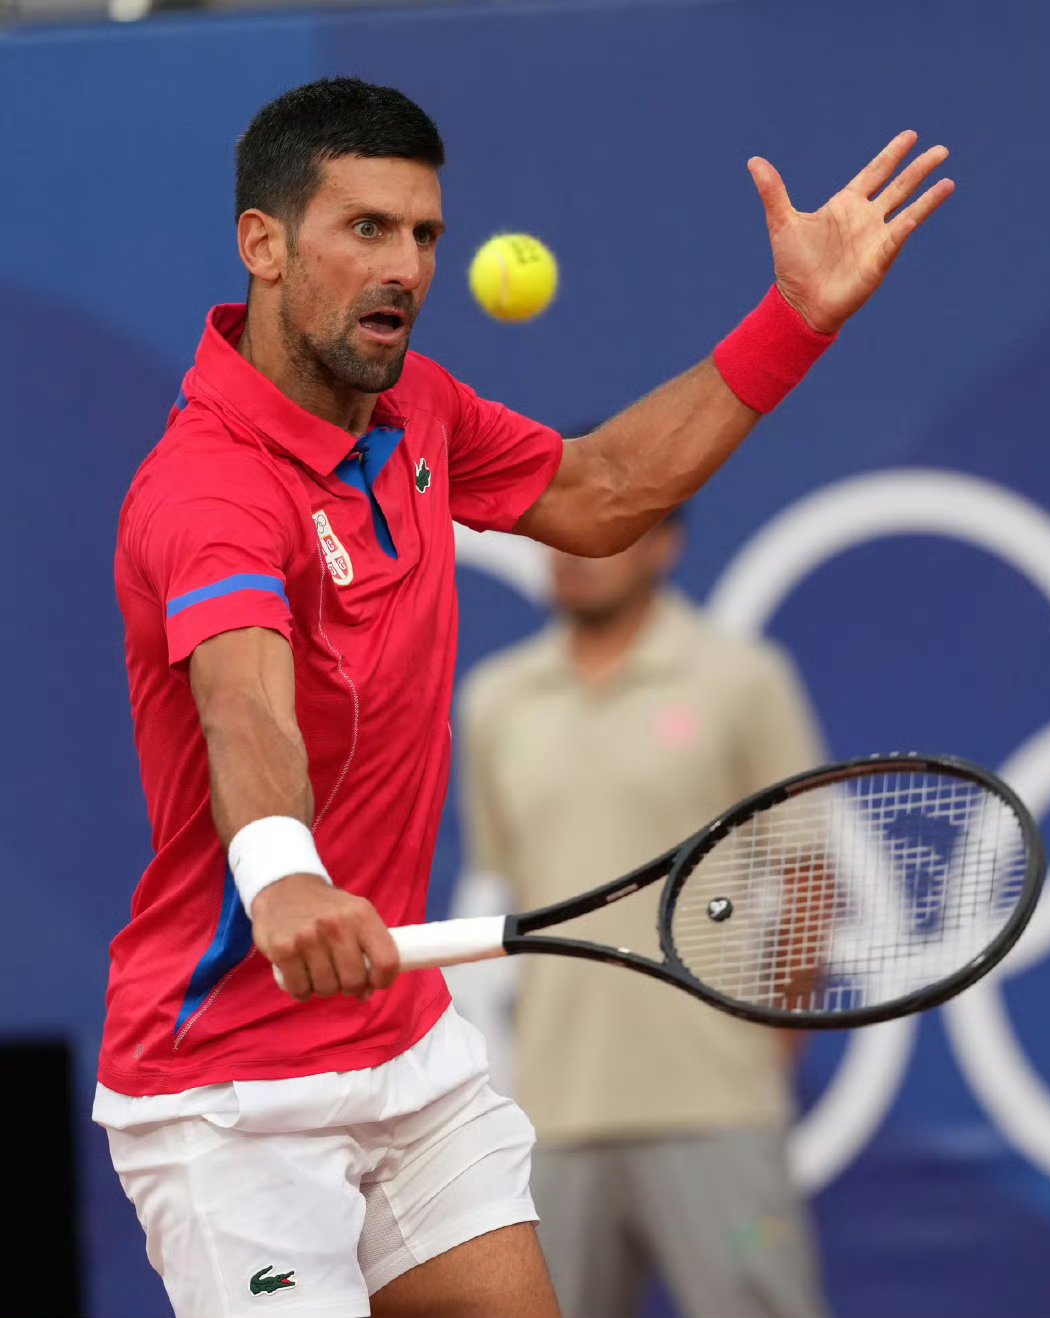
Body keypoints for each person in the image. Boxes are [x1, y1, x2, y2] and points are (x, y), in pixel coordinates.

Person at [92, 75, 952, 1318]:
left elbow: (605, 494)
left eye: (423, 233)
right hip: (231, 1092)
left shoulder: (418, 411)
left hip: (405, 1047)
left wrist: (796, 320)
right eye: (365, 228)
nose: (405, 267)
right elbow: (245, 703)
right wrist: (283, 875)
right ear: (263, 245)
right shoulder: (207, 488)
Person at [453, 510, 828, 1318]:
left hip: (717, 1104)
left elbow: (806, 877)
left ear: (668, 543)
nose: (574, 552)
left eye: (605, 529)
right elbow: (512, 879)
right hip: (553, 1109)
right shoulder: (493, 700)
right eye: (555, 534)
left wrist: (761, 1047)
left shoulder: (742, 679)